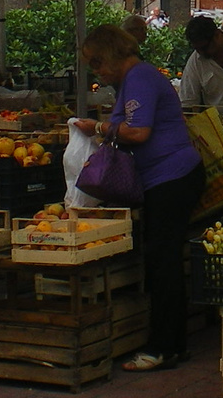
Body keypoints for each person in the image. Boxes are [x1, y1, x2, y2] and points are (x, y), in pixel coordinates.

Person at [74, 25, 204, 371]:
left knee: (163, 262)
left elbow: (139, 131)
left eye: (99, 62)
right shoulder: (134, 80)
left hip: (171, 177)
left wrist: (100, 128)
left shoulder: (140, 78)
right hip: (165, 178)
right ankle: (170, 343)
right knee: (163, 260)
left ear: (115, 54)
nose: (98, 71)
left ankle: (164, 346)